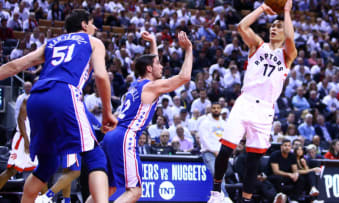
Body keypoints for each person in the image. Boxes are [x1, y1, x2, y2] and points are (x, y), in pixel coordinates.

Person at [0, 9, 118, 203]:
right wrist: (107, 112)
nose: (95, 27)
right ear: (84, 25)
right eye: (92, 23)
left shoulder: (51, 43)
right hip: (64, 93)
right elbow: (101, 76)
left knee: (47, 164)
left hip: (36, 98)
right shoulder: (93, 42)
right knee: (95, 156)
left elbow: (15, 66)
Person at [208, 0, 297, 202]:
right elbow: (241, 26)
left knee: (253, 160)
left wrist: (286, 11)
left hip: (265, 110)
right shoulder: (258, 45)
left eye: (279, 26)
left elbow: (291, 38)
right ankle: (215, 194)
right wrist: (261, 9)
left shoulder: (287, 55)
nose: (274, 28)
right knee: (225, 149)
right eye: (273, 25)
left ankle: (246, 200)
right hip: (245, 102)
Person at [98, 30, 193, 203]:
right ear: (149, 68)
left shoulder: (137, 84)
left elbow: (152, 60)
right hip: (125, 136)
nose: (162, 66)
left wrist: (153, 41)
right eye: (158, 64)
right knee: (134, 191)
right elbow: (185, 77)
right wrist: (188, 49)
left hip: (112, 136)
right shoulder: (151, 87)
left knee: (108, 189)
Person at [0, 97, 38, 190]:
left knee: (40, 172)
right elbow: (21, 119)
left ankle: (46, 199)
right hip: (23, 139)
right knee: (12, 171)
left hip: (36, 139)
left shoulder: (49, 100)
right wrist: (26, 141)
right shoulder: (29, 99)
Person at [198, 103, 232, 202]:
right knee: (216, 172)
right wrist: (215, 151)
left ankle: (219, 197)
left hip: (221, 153)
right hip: (208, 152)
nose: (216, 110)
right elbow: (204, 140)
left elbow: (227, 138)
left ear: (221, 110)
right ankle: (225, 197)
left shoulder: (224, 123)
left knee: (222, 174)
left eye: (218, 108)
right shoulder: (205, 123)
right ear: (210, 109)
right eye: (214, 108)